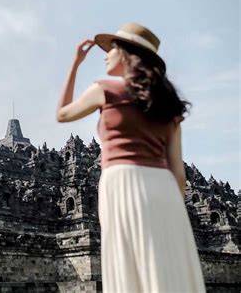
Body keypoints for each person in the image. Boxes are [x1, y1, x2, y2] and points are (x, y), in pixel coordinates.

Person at [56, 22, 206, 292]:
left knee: (127, 265)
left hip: (122, 181)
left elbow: (62, 114)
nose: (106, 54)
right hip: (165, 190)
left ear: (126, 54)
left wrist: (76, 62)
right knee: (167, 265)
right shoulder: (169, 106)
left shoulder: (106, 89)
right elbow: (178, 173)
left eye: (112, 49)